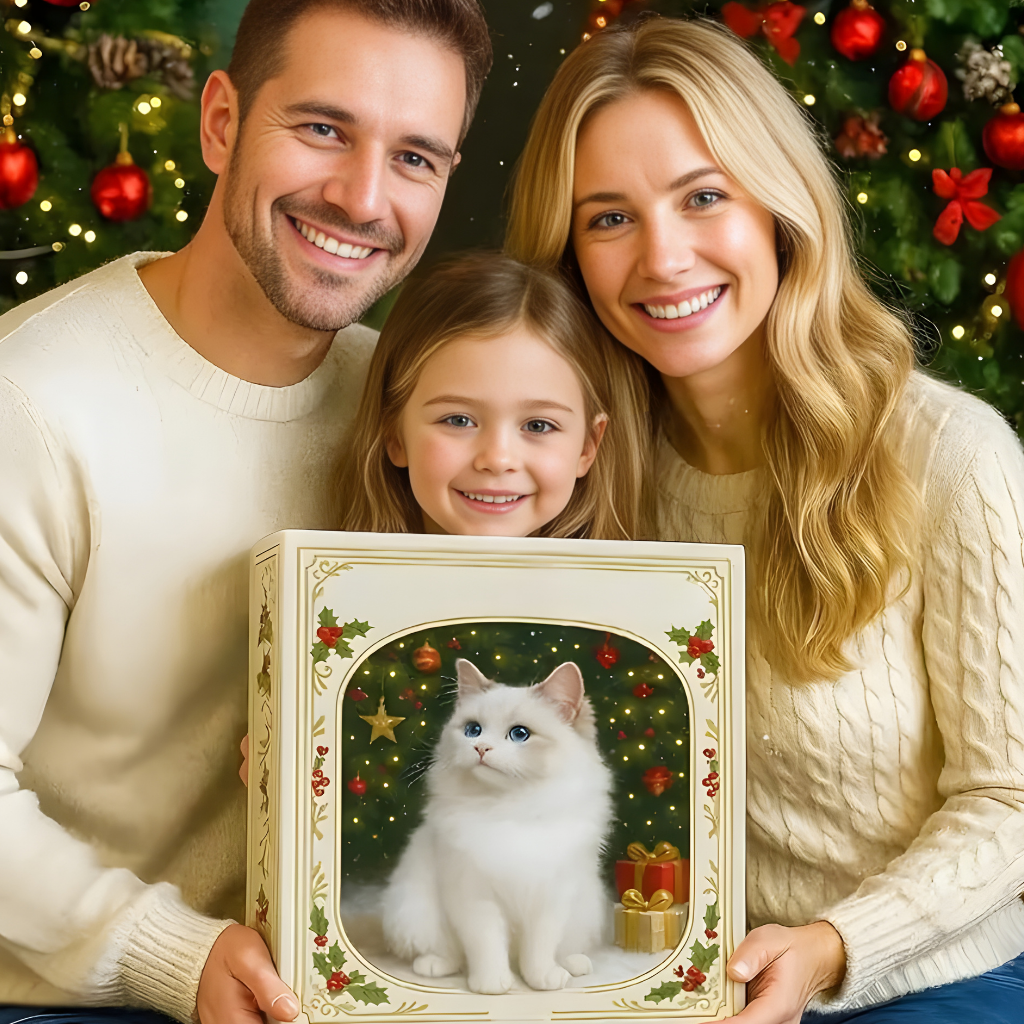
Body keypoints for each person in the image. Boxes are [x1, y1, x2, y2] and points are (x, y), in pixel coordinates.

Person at [506, 15, 1024, 1024]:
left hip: (923, 980)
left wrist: (835, 947)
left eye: (703, 198)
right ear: (567, 251)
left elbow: (1011, 802)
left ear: (778, 210)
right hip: (658, 979)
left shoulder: (952, 459)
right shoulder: (567, 461)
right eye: (608, 218)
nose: (662, 258)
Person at [0, 2, 491, 1024]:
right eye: (322, 128)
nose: (362, 197)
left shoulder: (413, 414)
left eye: (415, 159)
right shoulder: (34, 401)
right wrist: (168, 953)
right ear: (220, 122)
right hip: (73, 1004)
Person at [336, 252, 652, 539]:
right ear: (395, 435)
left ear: (587, 447)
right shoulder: (331, 590)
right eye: (459, 420)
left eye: (538, 426)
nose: (498, 460)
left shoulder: (618, 598)